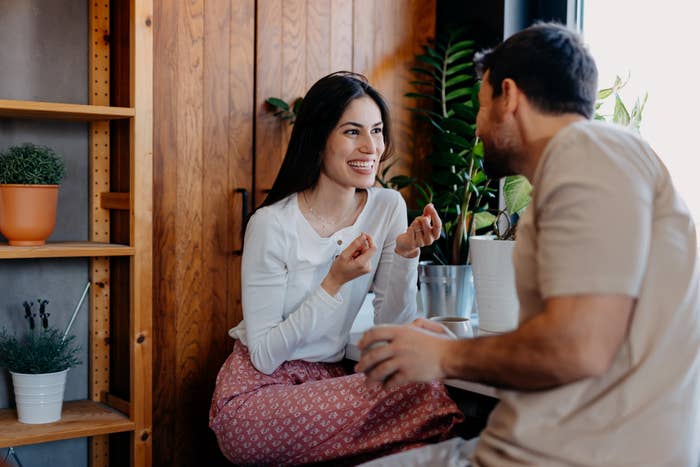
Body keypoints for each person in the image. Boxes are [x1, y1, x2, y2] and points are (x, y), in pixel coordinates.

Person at [357, 22, 700, 466]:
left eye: (481, 107)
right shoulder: (586, 167)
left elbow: (578, 346)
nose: (477, 128)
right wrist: (454, 346)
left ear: (510, 96)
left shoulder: (588, 150)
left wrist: (447, 356)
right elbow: (579, 344)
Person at [209, 71, 463, 466]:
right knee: (424, 394)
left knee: (417, 417)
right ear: (319, 137)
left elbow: (392, 326)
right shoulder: (271, 224)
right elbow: (263, 355)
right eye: (352, 132)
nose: (371, 146)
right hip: (258, 395)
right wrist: (332, 283)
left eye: (377, 131)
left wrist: (407, 252)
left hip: (330, 385)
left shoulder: (387, 206)